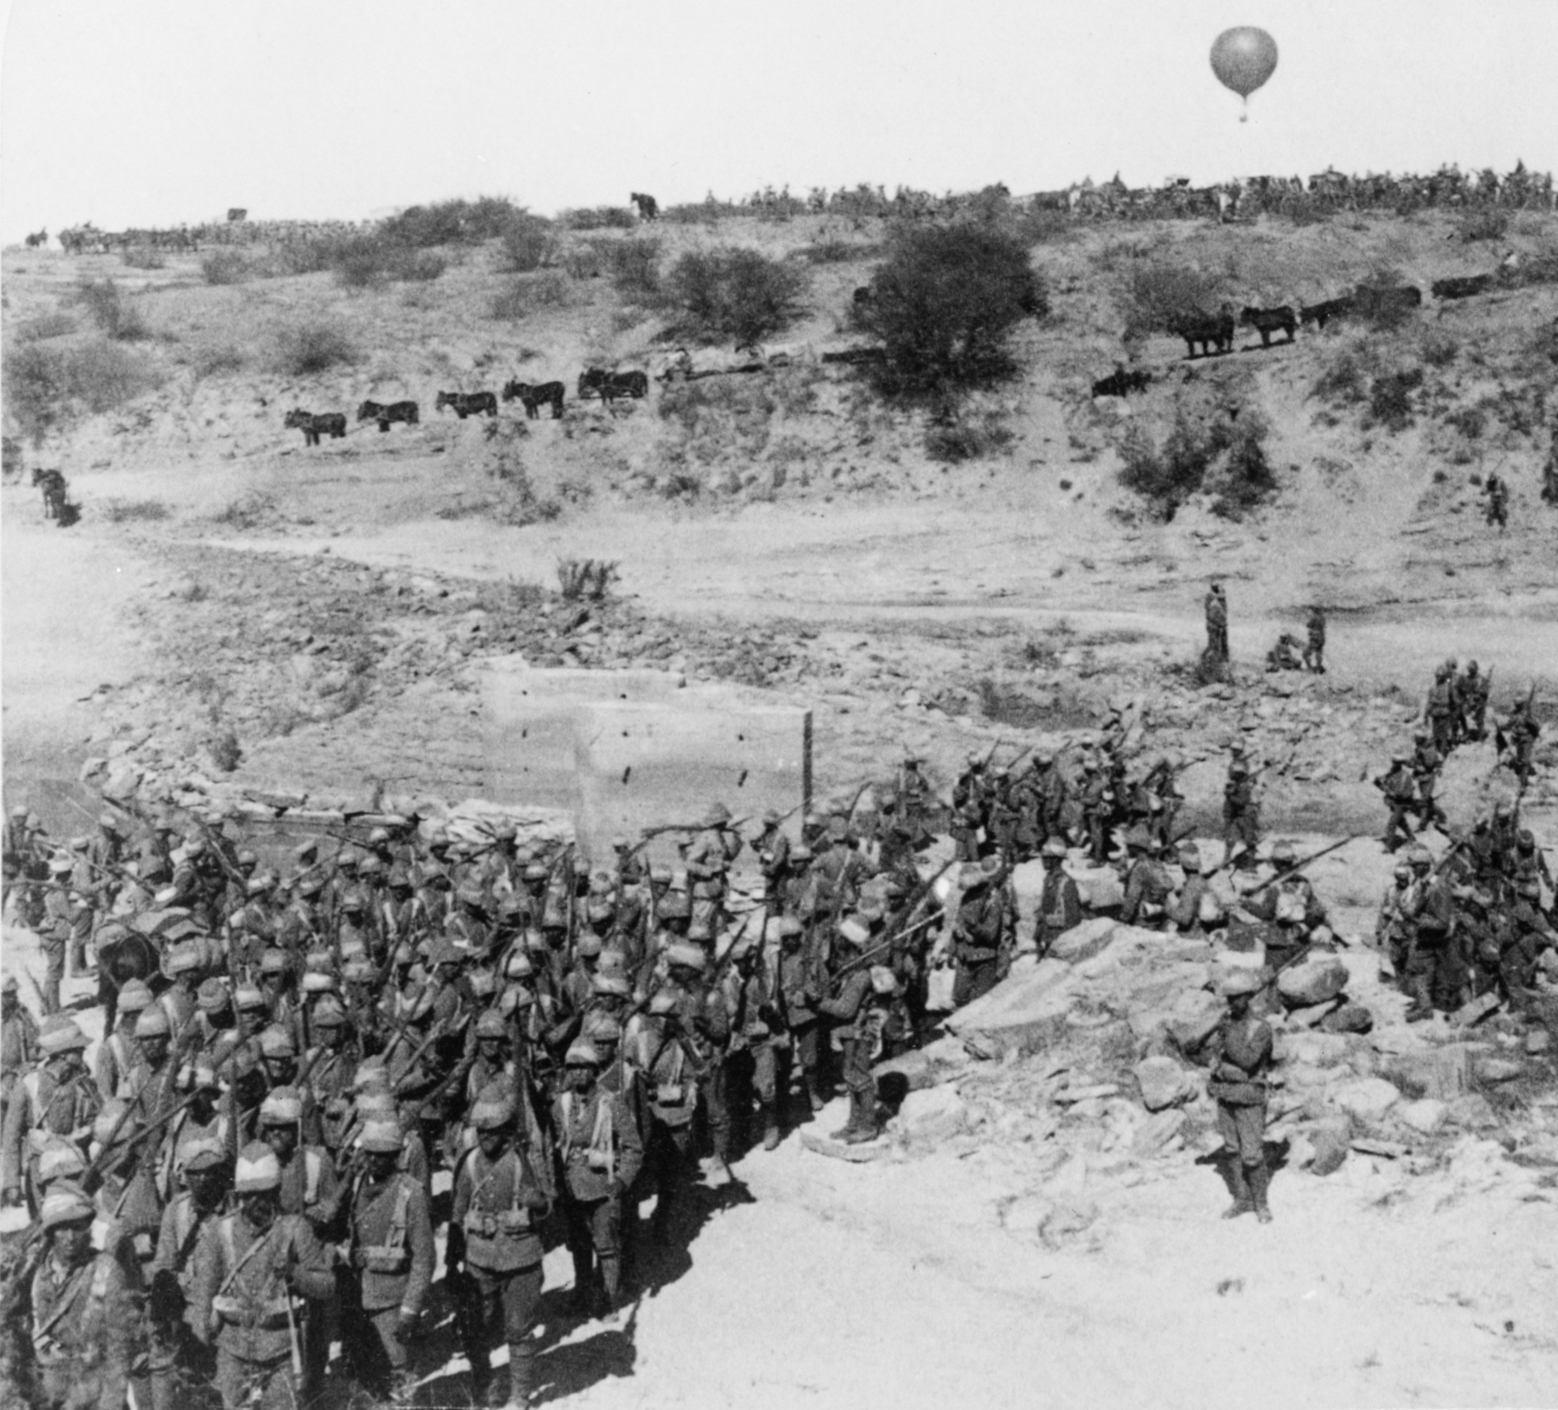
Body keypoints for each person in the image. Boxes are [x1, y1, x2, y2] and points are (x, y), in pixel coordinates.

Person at [187, 1142, 337, 1410]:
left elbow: (327, 1285)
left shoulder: (295, 1230)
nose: (256, 1202)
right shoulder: (220, 1234)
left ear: (277, 1191)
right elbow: (203, 1296)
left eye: (265, 1194)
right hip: (233, 1351)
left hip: (282, 1352)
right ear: (239, 1195)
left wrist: (295, 1274)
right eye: (249, 1195)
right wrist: (201, 1346)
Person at [447, 1090, 552, 1409]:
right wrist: (453, 1258)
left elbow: (548, 1205)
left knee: (519, 1330)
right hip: (479, 1259)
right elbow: (458, 1210)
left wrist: (539, 1204)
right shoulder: (469, 1163)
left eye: (493, 1131)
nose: (486, 1138)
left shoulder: (525, 1159)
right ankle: (485, 1384)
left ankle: (520, 1394)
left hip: (521, 1259)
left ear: (507, 1130)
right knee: (475, 1329)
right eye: (481, 1131)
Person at [342, 1117, 436, 1400]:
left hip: (394, 1299)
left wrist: (410, 1309)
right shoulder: (356, 1185)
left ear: (396, 1156)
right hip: (359, 1295)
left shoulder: (411, 1192)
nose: (374, 1160)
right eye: (369, 1153)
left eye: (383, 1156)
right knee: (363, 1370)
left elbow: (424, 1258)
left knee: (399, 1372)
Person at [28, 1182, 140, 1410]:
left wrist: (112, 1402)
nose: (70, 1237)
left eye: (77, 1227)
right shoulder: (38, 1276)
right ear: (50, 1233)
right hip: (52, 1392)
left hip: (95, 1392)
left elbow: (120, 1348)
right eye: (61, 1228)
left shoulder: (107, 1271)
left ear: (88, 1228)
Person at [553, 1038, 642, 1322]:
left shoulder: (611, 1103)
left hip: (601, 1186)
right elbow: (551, 1144)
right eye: (572, 1068)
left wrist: (623, 1180)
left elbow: (633, 1146)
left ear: (594, 1070)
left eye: (583, 1068)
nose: (577, 1073)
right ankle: (581, 1294)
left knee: (606, 1246)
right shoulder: (562, 1104)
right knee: (579, 1245)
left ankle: (607, 1299)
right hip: (571, 1187)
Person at [1206, 970, 1273, 1223]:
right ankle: (1242, 1199)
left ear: (1248, 997)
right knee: (1232, 1150)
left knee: (1252, 1155)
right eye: (1228, 999)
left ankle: (1261, 1204)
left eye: (1236, 998)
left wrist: (1227, 1034)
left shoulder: (1261, 1028)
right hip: (1226, 1094)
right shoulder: (1227, 1024)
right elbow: (1211, 1056)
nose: (1232, 1003)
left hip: (1249, 1096)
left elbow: (1247, 1060)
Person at [1204, 583, 1229, 667]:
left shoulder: (1213, 600)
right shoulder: (1215, 602)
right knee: (1215, 646)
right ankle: (1210, 662)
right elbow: (1214, 615)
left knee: (1216, 645)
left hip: (1218, 625)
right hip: (1217, 626)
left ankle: (1217, 661)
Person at [1303, 606, 1327, 673]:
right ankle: (1318, 668)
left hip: (1315, 638)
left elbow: (1308, 625)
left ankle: (1310, 668)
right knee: (1318, 653)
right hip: (1321, 638)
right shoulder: (1323, 618)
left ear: (1314, 611)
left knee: (1305, 654)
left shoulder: (1314, 618)